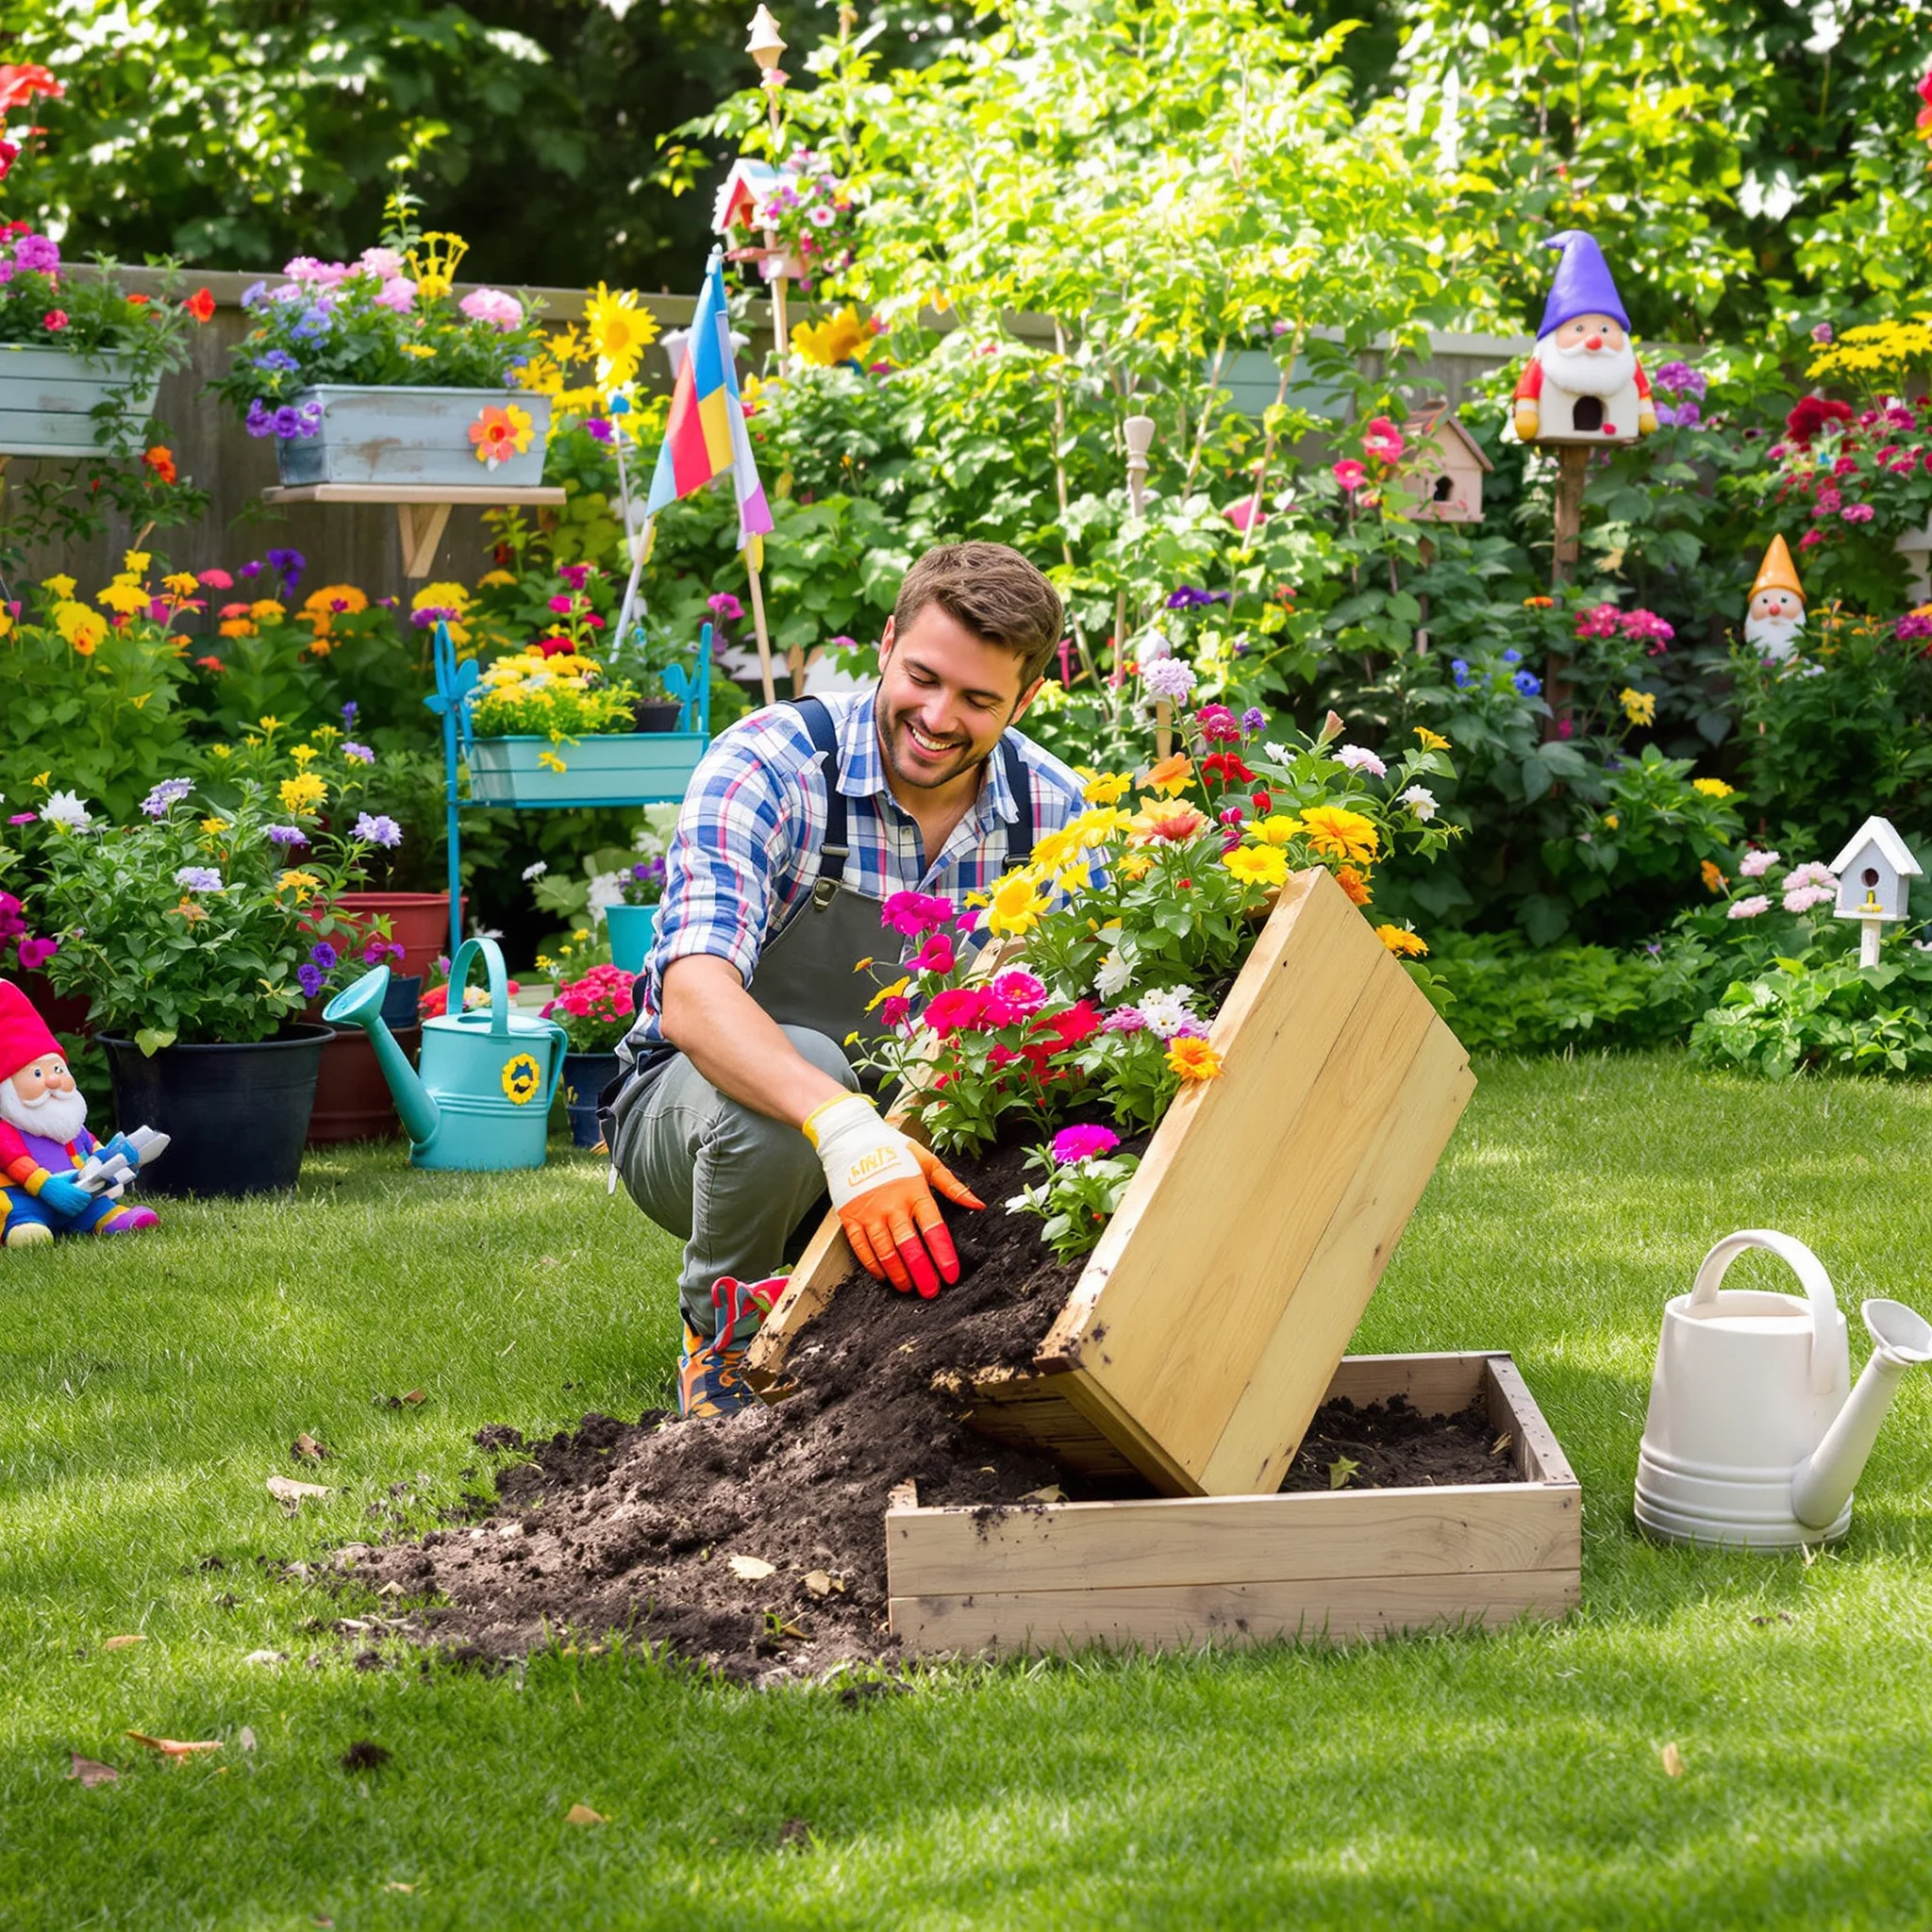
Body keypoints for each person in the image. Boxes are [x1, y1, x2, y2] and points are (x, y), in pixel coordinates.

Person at [605, 541, 1088, 1416]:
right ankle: (732, 1349)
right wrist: (844, 1128)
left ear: (1027, 698)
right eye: (923, 677)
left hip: (925, 1135)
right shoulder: (772, 764)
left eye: (979, 700)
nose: (939, 717)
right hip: (709, 1123)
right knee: (807, 1073)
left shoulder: (1054, 812)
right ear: (888, 640)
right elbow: (694, 994)